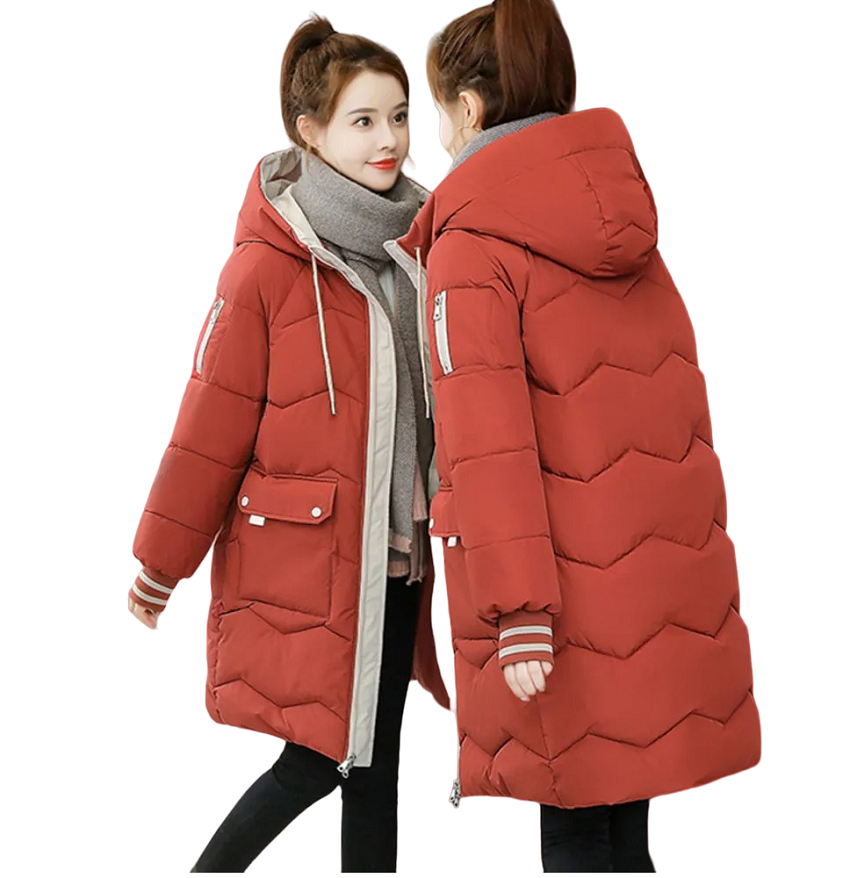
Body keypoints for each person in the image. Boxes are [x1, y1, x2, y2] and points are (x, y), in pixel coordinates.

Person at [384, 0, 762, 872]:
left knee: (580, 837)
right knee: (620, 832)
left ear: (469, 108)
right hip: (648, 588)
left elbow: (487, 447)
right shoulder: (625, 227)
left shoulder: (472, 246)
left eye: (437, 111)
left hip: (556, 599)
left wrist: (518, 612)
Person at [126, 14, 450, 872]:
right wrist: (161, 564)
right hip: (313, 564)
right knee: (317, 760)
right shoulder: (267, 266)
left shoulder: (420, 253)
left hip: (399, 565)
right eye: (363, 120)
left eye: (400, 116)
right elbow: (210, 424)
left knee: (373, 773)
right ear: (309, 132)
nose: (390, 140)